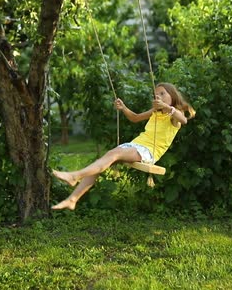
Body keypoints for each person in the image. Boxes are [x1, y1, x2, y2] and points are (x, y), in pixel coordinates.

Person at [51, 82, 195, 211]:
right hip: (136, 145)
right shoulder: (155, 112)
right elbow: (135, 118)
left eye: (162, 93)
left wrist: (167, 107)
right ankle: (73, 199)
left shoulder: (174, 114)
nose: (158, 97)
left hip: (148, 152)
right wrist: (124, 108)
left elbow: (183, 121)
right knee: (105, 158)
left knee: (114, 155)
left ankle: (75, 176)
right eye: (156, 95)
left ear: (172, 95)